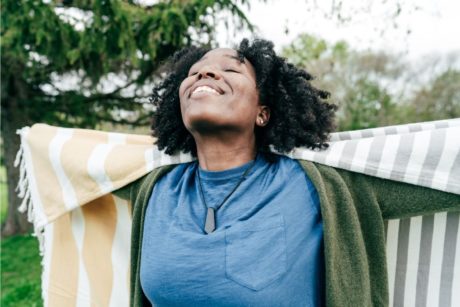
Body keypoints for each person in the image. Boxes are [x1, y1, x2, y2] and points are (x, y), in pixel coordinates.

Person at [121, 39, 459, 307]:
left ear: (262, 113)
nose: (204, 75)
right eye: (194, 72)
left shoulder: (320, 186)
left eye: (230, 70)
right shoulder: (153, 188)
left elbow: (440, 170)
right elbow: (75, 168)